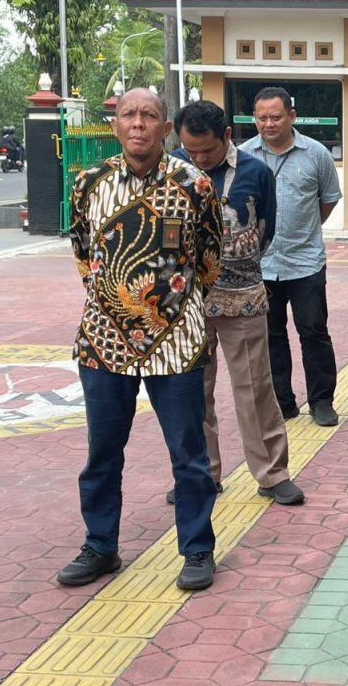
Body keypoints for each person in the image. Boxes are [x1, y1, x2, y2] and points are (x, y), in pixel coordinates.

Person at [60, 88, 223, 591]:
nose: (137, 124)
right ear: (115, 125)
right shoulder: (89, 183)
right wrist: (115, 309)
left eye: (148, 116)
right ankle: (100, 546)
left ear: (165, 128)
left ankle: (197, 549)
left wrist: (167, 312)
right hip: (103, 343)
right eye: (128, 115)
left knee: (189, 456)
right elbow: (83, 252)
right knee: (102, 454)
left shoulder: (195, 185)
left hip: (176, 344)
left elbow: (209, 261)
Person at [172, 100, 305, 506]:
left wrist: (232, 267)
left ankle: (273, 473)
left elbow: (266, 228)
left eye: (207, 150)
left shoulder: (255, 172)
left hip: (242, 298)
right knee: (193, 392)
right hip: (186, 303)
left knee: (255, 387)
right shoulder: (172, 169)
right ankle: (202, 474)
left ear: (227, 136)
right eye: (190, 150)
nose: (198, 159)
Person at [238, 87, 342, 427]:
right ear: (254, 119)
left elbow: (328, 199)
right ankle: (283, 402)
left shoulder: (315, 154)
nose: (268, 124)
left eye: (276, 117)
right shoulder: (242, 156)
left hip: (305, 262)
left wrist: (305, 229)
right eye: (262, 118)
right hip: (261, 265)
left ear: (291, 116)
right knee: (271, 336)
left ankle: (322, 401)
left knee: (314, 332)